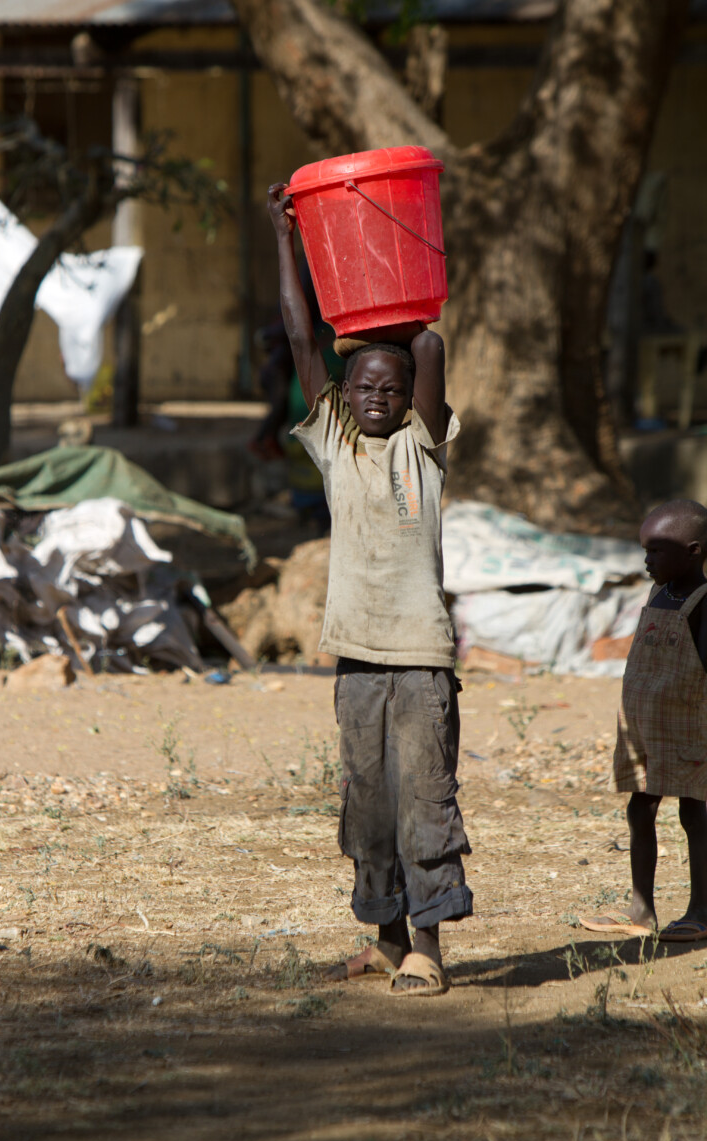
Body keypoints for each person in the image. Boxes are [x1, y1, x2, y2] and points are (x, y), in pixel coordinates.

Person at [268, 181, 473, 995]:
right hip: (355, 655)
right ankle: (385, 939)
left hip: (420, 657)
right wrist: (287, 239)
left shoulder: (422, 449)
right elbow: (297, 334)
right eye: (364, 388)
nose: (379, 395)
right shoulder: (335, 444)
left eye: (389, 387)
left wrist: (388, 283)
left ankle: (427, 944)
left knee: (425, 797)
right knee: (369, 803)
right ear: (341, 403)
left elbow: (429, 346)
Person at [580, 499, 707, 942]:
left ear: (693, 551)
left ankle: (700, 910)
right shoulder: (659, 594)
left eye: (656, 551)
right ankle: (642, 908)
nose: (646, 560)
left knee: (696, 813)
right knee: (640, 808)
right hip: (645, 729)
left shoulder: (701, 603)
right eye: (645, 550)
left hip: (691, 728)